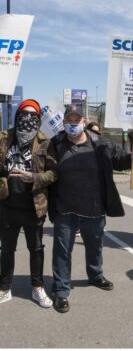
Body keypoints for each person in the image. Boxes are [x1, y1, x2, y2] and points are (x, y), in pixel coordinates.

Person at [50, 104, 133, 313]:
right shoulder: (55, 144)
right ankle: (61, 290)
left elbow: (120, 159)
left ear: (84, 122)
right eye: (69, 120)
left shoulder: (100, 143)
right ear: (64, 122)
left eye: (77, 120)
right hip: (64, 208)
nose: (73, 124)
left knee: (95, 245)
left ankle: (95, 275)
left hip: (94, 207)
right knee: (62, 251)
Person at [0, 99, 57, 308]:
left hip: (34, 207)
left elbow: (54, 172)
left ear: (38, 119)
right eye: (24, 113)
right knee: (6, 250)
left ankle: (37, 288)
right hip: (7, 206)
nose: (28, 119)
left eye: (33, 115)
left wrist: (35, 177)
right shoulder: (4, 139)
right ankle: (4, 288)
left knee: (36, 249)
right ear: (17, 115)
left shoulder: (45, 141)